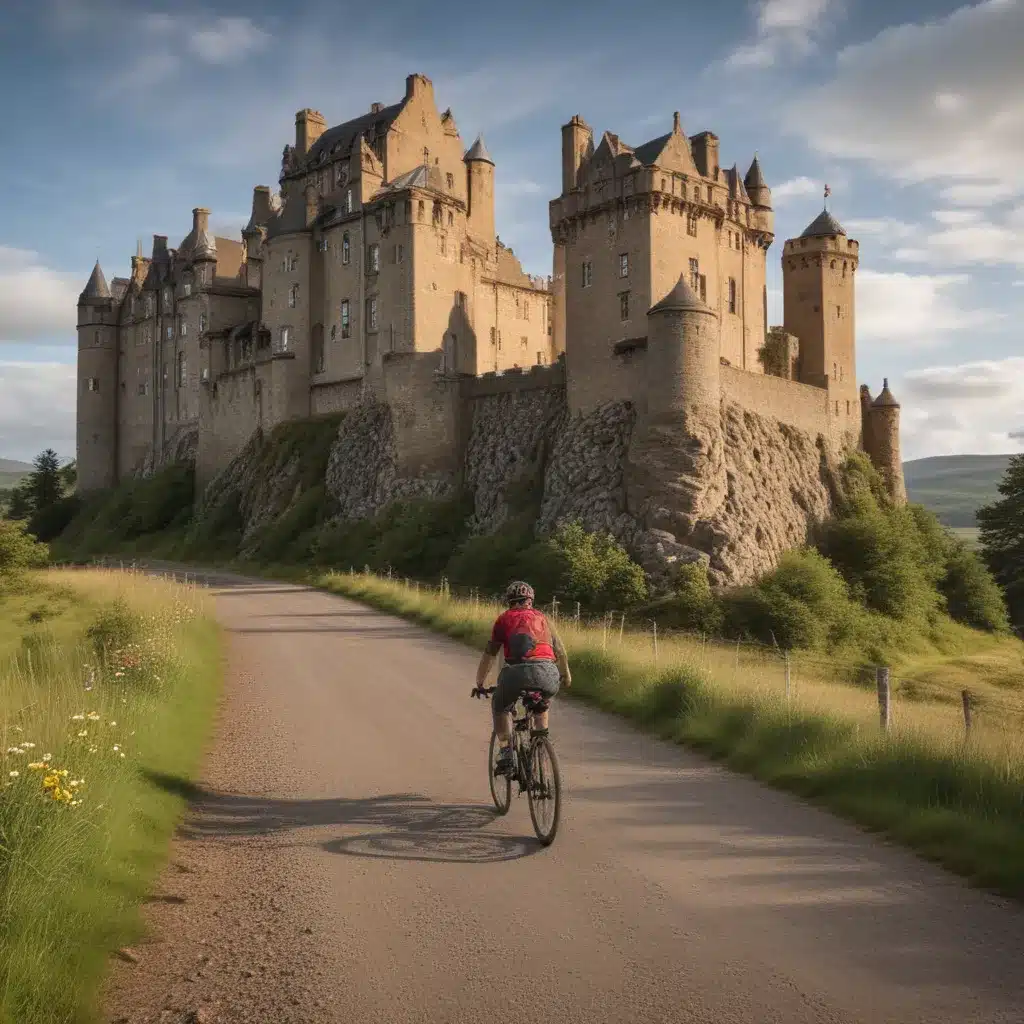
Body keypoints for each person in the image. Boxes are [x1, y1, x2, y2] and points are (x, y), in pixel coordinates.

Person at [474, 580, 571, 774]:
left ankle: (506, 752)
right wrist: (566, 675)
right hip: (548, 672)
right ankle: (540, 745)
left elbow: (490, 654)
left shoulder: (504, 619)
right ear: (531, 600)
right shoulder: (543, 618)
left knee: (501, 706)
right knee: (541, 705)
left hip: (516, 673)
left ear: (510, 601)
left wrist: (480, 682)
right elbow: (560, 651)